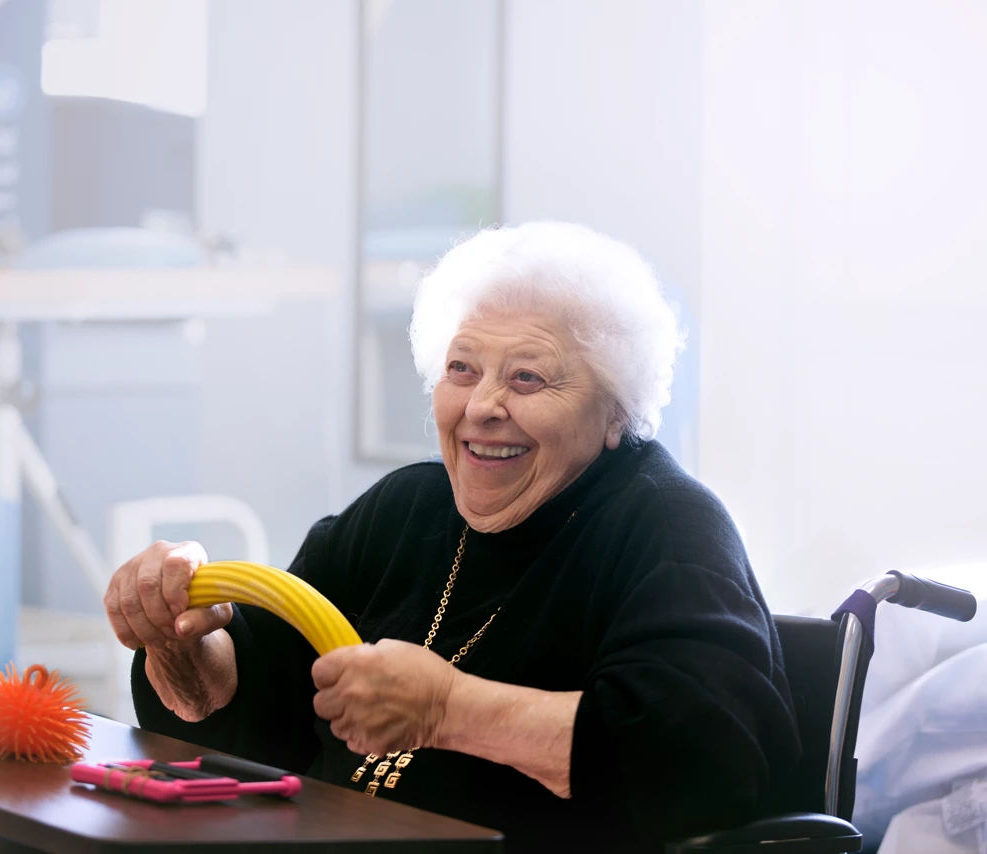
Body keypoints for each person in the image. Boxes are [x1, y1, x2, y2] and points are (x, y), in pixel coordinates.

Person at [105, 222, 801, 852]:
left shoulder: (668, 529)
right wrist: (184, 644)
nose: (481, 407)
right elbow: (262, 715)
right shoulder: (407, 506)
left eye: (528, 378)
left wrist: (447, 709)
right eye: (461, 370)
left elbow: (706, 765)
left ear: (615, 412)